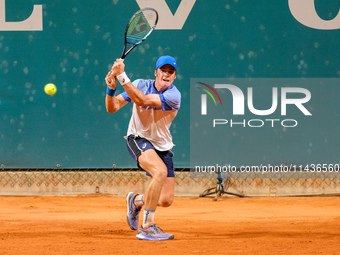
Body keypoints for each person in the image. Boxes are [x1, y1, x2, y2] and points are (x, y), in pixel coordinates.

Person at [105, 55, 181, 241]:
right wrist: (111, 89)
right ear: (156, 73)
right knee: (159, 172)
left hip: (162, 145)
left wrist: (122, 76)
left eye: (171, 72)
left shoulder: (174, 95)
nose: (167, 74)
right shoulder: (139, 84)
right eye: (163, 70)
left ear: (174, 77)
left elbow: (143, 101)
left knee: (165, 200)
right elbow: (112, 107)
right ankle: (147, 227)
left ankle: (136, 201)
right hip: (138, 138)